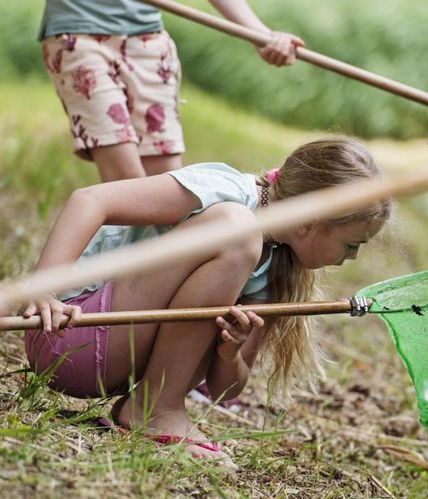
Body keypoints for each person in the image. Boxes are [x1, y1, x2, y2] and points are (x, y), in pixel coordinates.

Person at [21, 137, 391, 469]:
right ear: (309, 222)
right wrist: (44, 289)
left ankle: (152, 405)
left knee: (241, 236)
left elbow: (225, 391)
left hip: (115, 362)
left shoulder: (278, 257)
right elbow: (91, 199)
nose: (353, 257)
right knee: (237, 228)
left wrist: (229, 353)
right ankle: (155, 408)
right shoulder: (227, 194)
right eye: (352, 244)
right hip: (70, 333)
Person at [39, 0, 303, 182]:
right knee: (127, 181)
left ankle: (157, 261)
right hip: (79, 38)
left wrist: (260, 35)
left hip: (149, 44)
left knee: (164, 183)